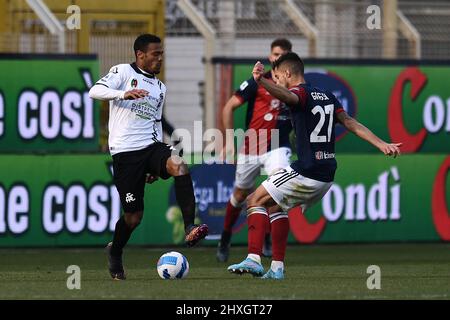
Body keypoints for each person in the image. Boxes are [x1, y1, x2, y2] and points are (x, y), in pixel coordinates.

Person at [227, 52, 402, 279]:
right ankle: (277, 268)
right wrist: (381, 144)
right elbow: (350, 122)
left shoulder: (299, 93)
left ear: (288, 74)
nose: (277, 80)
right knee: (275, 206)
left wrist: (262, 81)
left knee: (253, 200)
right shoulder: (327, 95)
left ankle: (253, 259)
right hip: (326, 174)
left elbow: (289, 97)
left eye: (278, 76)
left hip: (306, 170)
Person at [89, 34, 208, 280]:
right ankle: (116, 251)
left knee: (180, 166)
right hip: (124, 153)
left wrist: (155, 164)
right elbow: (95, 91)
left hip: (151, 147)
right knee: (133, 217)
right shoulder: (122, 72)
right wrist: (123, 94)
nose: (160, 58)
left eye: (162, 53)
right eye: (156, 54)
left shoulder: (160, 88)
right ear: (140, 55)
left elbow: (155, 123)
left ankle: (190, 227)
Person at [216, 39, 293, 262]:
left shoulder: (295, 85)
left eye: (283, 54)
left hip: (278, 146)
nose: (279, 57)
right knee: (240, 195)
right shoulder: (258, 81)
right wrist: (229, 141)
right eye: (276, 54)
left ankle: (269, 241)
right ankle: (225, 236)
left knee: (276, 190)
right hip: (253, 146)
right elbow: (229, 106)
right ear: (270, 57)